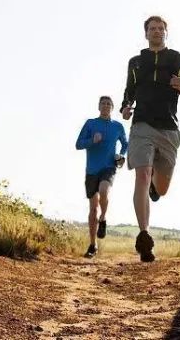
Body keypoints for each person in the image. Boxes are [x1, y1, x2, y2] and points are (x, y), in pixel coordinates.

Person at [121, 15, 180, 263]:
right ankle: (144, 236)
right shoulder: (135, 62)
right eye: (152, 29)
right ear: (146, 34)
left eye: (160, 29)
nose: (156, 32)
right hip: (142, 125)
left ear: (166, 33)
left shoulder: (178, 60)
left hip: (168, 129)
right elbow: (128, 92)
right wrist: (125, 107)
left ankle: (155, 187)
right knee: (142, 174)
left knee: (161, 189)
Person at [75, 95, 128, 258]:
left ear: (112, 108)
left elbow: (125, 144)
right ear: (99, 107)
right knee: (92, 208)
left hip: (109, 167)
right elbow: (78, 144)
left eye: (108, 104)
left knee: (104, 190)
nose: (105, 106)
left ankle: (103, 219)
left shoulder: (118, 126)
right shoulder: (90, 123)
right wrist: (92, 140)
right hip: (91, 170)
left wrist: (120, 155)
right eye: (103, 103)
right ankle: (92, 245)